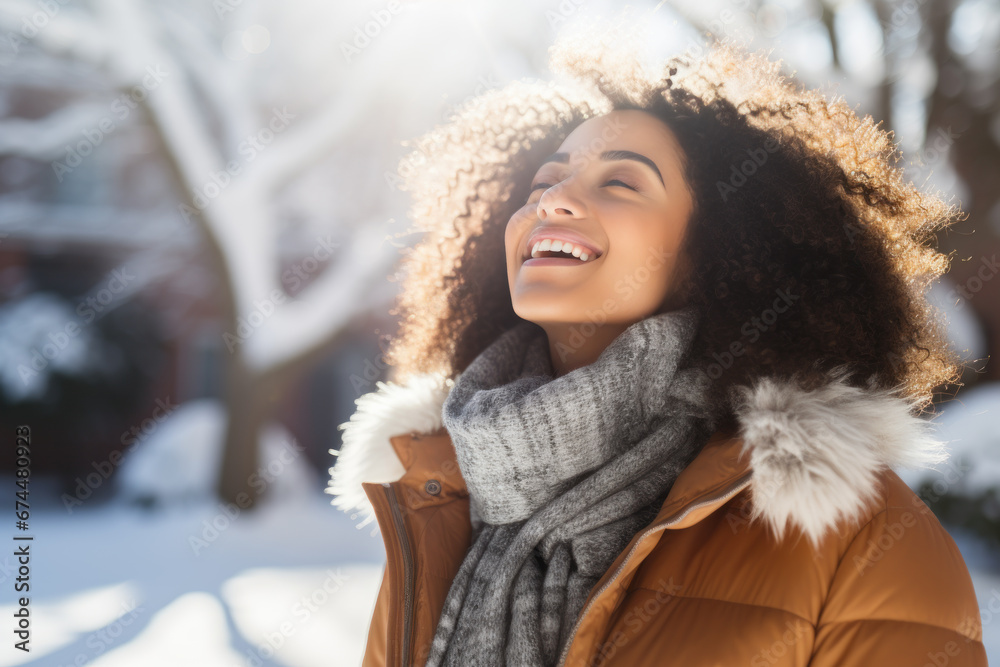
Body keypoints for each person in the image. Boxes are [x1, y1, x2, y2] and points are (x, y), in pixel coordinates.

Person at [327, 20, 988, 667]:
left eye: (620, 182)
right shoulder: (433, 505)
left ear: (719, 255)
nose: (552, 200)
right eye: (542, 182)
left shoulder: (854, 535)